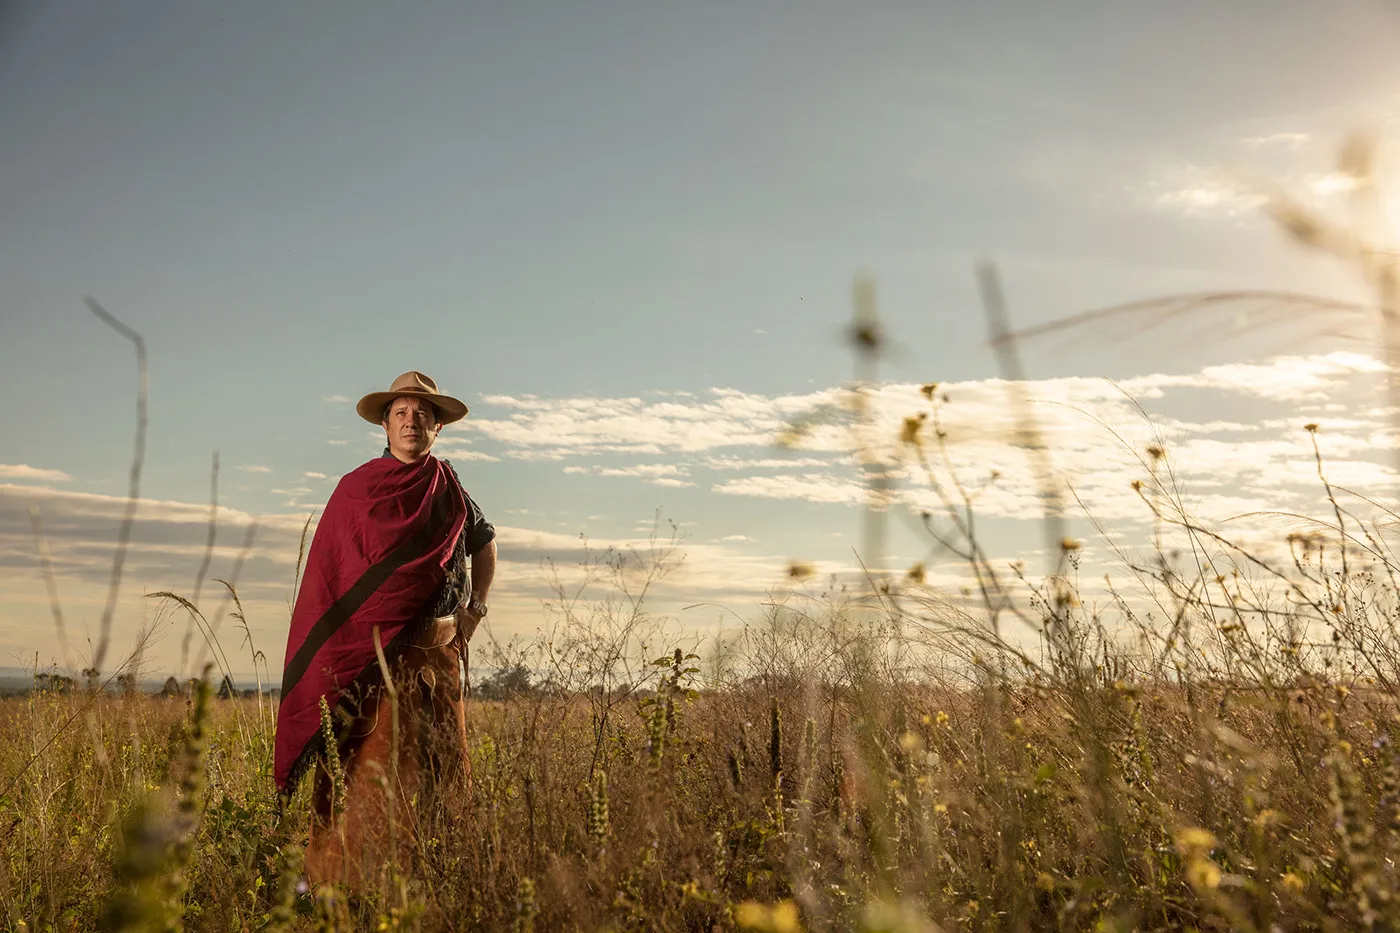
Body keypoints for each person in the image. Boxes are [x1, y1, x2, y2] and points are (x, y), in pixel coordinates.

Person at [273, 371, 497, 887]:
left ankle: (440, 885)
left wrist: (476, 608)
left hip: (440, 659)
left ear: (438, 428)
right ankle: (345, 887)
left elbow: (485, 542)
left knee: (444, 775)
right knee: (368, 778)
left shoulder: (450, 488)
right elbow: (333, 582)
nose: (412, 422)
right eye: (401, 413)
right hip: (375, 667)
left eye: (423, 415)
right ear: (385, 424)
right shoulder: (356, 491)